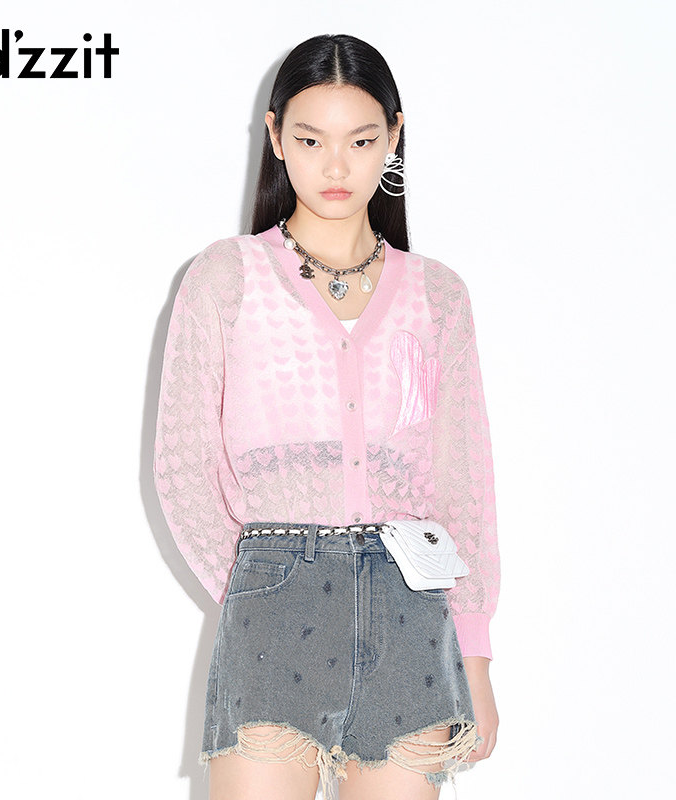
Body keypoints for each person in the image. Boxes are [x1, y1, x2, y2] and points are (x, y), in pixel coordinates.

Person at [153, 33, 500, 800]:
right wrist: (258, 587)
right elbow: (181, 468)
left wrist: (474, 656)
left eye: (361, 140)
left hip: (412, 611)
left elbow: (464, 485)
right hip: (273, 605)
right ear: (276, 137)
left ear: (394, 137)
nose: (336, 166)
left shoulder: (438, 296)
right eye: (311, 140)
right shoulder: (225, 279)